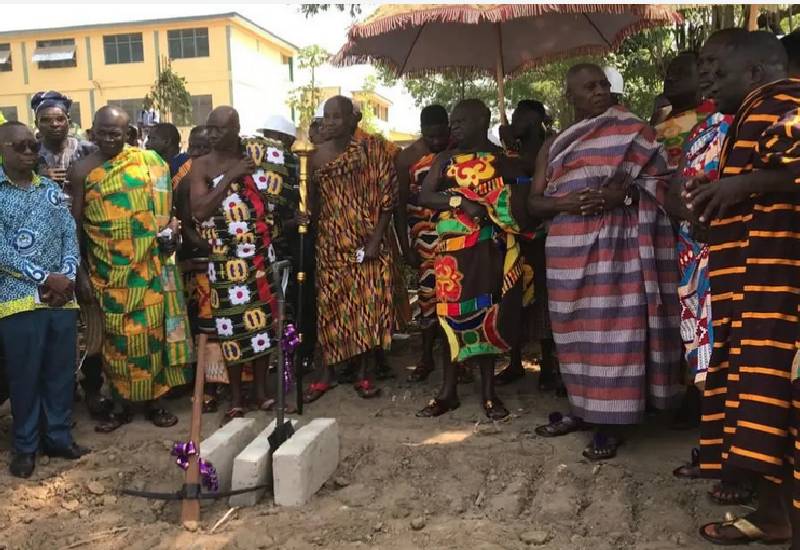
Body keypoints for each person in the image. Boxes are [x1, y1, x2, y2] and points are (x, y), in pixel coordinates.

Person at [681, 31, 800, 546]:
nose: (706, 78)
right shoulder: (747, 114)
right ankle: (774, 517)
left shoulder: (784, 104)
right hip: (751, 291)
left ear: (755, 72)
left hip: (778, 293)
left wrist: (739, 186)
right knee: (763, 404)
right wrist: (716, 212)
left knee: (777, 403)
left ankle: (781, 519)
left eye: (716, 68)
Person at [528, 64, 681, 460]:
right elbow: (534, 203)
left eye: (603, 85)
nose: (599, 91)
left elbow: (663, 187)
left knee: (614, 331)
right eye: (589, 86)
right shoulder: (556, 143)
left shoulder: (636, 132)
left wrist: (624, 198)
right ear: (570, 97)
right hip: (566, 252)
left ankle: (611, 423)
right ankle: (583, 410)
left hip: (620, 248)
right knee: (575, 334)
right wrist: (565, 203)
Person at [70, 106, 192, 432]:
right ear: (92, 131)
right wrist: (80, 274)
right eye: (104, 131)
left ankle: (155, 403)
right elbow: (74, 226)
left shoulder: (149, 163)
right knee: (116, 345)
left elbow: (166, 212)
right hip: (107, 273)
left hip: (148, 267)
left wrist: (172, 233)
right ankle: (122, 405)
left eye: (117, 133)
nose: (110, 138)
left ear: (129, 135)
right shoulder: (82, 170)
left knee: (153, 338)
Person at [416, 99, 530, 420]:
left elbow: (522, 195)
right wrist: (460, 201)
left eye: (461, 121)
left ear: (482, 120)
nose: (454, 127)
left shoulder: (502, 159)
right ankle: (447, 391)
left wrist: (513, 147)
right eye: (453, 122)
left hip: (489, 248)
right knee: (449, 317)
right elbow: (425, 196)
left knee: (487, 313)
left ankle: (488, 393)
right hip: (452, 253)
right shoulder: (444, 159)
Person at [667, 29, 746, 488]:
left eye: (716, 72)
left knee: (737, 362)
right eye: (705, 73)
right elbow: (674, 190)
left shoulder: (755, 125)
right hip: (694, 263)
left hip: (738, 260)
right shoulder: (701, 128)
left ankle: (740, 466)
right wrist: (689, 215)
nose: (709, 81)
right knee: (706, 363)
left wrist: (716, 222)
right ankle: (717, 454)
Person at [0, 121, 88, 478]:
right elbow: (2, 252)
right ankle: (25, 446)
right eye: (19, 146)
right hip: (18, 299)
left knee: (59, 373)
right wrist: (44, 277)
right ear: (3, 149)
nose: (28, 152)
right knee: (24, 376)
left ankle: (58, 437)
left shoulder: (50, 191)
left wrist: (66, 276)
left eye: (32, 147)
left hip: (60, 299)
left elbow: (70, 233)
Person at [189, 107, 286, 421]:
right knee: (231, 328)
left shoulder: (257, 159)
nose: (213, 135)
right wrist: (228, 178)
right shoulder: (202, 165)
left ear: (237, 129)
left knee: (261, 326)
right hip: (225, 260)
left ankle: (260, 391)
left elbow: (275, 202)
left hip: (259, 255)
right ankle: (235, 396)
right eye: (210, 128)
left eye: (219, 129)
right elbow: (200, 211)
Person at [303, 96, 397, 401]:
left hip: (367, 242)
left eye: (337, 117)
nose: (330, 123)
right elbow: (313, 204)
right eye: (326, 117)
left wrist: (375, 240)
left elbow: (388, 200)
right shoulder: (315, 156)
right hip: (331, 244)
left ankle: (364, 374)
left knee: (368, 309)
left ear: (354, 120)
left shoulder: (375, 150)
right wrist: (304, 217)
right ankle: (326, 373)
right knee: (329, 308)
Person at [29, 91, 109, 418]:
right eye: (46, 120)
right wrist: (39, 178)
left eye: (59, 118)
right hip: (42, 252)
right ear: (37, 125)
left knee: (92, 321)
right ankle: (63, 391)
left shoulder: (89, 152)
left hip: (86, 242)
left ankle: (93, 388)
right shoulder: (28, 154)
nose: (54, 125)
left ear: (69, 120)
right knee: (54, 321)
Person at [494, 99, 559, 392]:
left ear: (533, 121)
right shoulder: (508, 152)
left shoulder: (550, 147)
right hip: (513, 237)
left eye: (519, 116)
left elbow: (531, 168)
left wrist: (510, 145)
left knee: (544, 299)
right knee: (513, 296)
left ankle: (548, 365)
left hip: (543, 236)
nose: (512, 121)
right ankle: (515, 361)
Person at [394, 105, 452, 382]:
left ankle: (456, 359)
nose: (438, 141)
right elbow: (399, 206)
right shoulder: (407, 158)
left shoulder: (457, 150)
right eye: (431, 136)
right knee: (428, 298)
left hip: (455, 234)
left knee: (454, 297)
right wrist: (406, 248)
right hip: (424, 238)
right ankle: (427, 357)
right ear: (422, 130)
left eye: (442, 134)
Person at [654, 52, 716, 170]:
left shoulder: (713, 119)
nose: (670, 78)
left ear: (702, 79)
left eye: (681, 73)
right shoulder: (659, 116)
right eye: (669, 73)